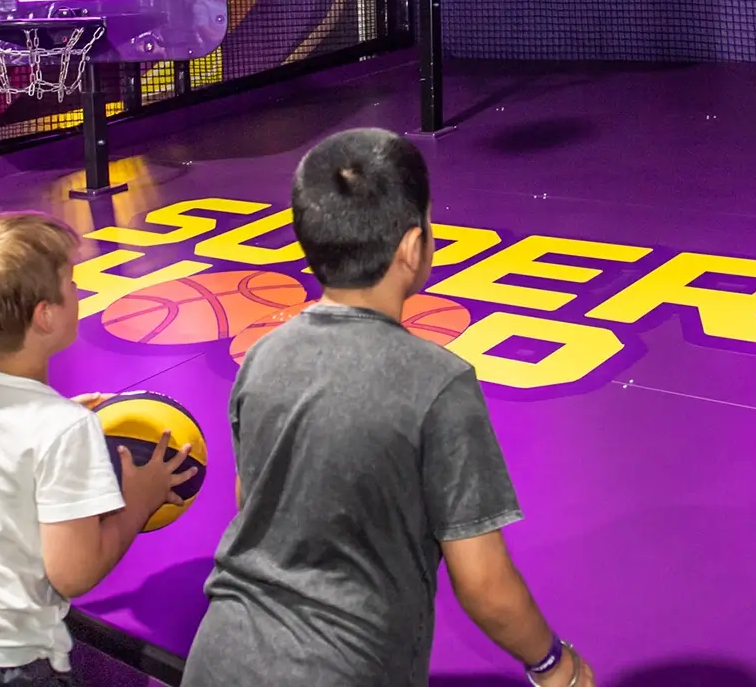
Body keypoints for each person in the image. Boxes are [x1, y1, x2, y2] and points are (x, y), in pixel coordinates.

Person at [182, 128, 594, 687]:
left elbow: (250, 503)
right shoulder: (438, 382)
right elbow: (483, 581)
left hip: (218, 659)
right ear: (411, 247)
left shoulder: (262, 357)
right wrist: (554, 664)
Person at [0, 212, 195, 687]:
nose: (79, 290)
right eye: (71, 283)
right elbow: (73, 574)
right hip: (0, 664)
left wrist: (58, 415)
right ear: (45, 315)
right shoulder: (62, 430)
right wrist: (140, 500)